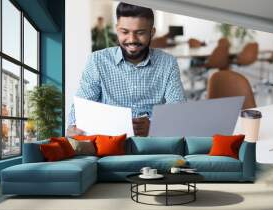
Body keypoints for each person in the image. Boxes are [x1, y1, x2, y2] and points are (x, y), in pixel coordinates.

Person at [67, 2, 186, 137]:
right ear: (117, 29)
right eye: (125, 32)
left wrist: (154, 126)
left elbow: (178, 108)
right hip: (110, 143)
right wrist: (74, 125)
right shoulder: (97, 61)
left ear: (152, 32)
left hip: (152, 142)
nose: (132, 40)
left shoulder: (168, 62)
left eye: (140, 33)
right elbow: (82, 106)